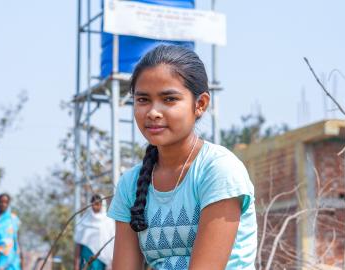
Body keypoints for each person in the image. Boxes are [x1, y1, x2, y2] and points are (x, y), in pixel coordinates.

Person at [108, 45, 257, 270]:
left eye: (169, 99)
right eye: (143, 100)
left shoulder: (218, 170)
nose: (153, 112)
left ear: (200, 104)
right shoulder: (131, 184)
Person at [74, 194, 115, 270]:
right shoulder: (84, 220)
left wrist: (111, 263)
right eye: (92, 204)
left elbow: (112, 244)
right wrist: (76, 264)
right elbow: (78, 244)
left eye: (97, 204)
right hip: (85, 258)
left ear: (102, 205)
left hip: (101, 259)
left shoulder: (108, 221)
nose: (94, 206)